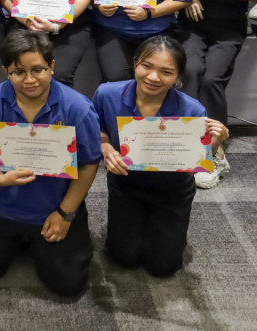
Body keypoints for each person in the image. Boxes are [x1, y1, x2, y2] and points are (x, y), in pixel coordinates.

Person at [0, 29, 101, 296]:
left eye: (37, 70)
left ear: (51, 66)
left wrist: (66, 213)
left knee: (68, 286)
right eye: (18, 72)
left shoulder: (78, 108)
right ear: (6, 71)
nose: (29, 80)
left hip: (53, 209)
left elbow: (89, 164)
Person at [93, 35, 229, 277]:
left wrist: (215, 142)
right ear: (135, 63)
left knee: (162, 267)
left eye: (166, 72)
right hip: (126, 183)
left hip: (172, 189)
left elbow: (196, 161)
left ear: (178, 76)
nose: (153, 77)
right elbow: (98, 129)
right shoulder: (107, 94)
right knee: (123, 257)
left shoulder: (192, 109)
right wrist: (106, 147)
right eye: (146, 66)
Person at [179, 0, 257, 188]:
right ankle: (189, 141)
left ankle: (215, 150)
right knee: (190, 71)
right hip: (194, 22)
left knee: (212, 78)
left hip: (229, 26)